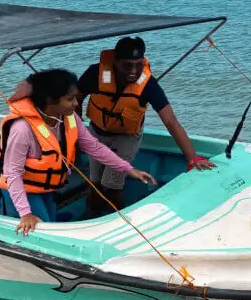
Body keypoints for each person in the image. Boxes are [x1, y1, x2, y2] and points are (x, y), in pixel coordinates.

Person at [0, 68, 156, 235]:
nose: (76, 103)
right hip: (21, 190)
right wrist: (25, 214)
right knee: (44, 232)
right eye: (70, 99)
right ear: (50, 101)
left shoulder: (69, 118)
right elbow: (13, 173)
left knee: (50, 223)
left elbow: (94, 147)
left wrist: (128, 169)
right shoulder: (22, 129)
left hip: (46, 188)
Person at [76, 36, 216, 217]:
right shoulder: (96, 73)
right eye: (127, 65)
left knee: (111, 184)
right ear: (116, 62)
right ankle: (91, 215)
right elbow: (75, 100)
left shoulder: (148, 84)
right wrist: (76, 134)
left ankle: (120, 218)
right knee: (94, 182)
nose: (133, 71)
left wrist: (192, 158)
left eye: (138, 64)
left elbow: (170, 121)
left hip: (127, 138)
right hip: (97, 134)